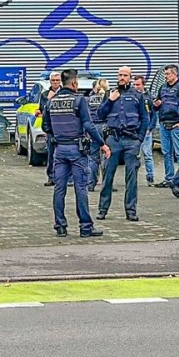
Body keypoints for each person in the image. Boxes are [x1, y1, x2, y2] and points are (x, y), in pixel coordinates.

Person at [48, 69, 110, 238]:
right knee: (80, 188)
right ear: (74, 83)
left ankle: (60, 225)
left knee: (59, 188)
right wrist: (102, 144)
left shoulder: (51, 101)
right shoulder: (79, 100)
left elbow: (47, 126)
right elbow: (89, 125)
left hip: (59, 150)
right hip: (77, 149)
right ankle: (85, 227)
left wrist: (58, 135)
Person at [96, 65, 147, 222]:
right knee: (108, 175)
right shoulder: (110, 94)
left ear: (130, 78)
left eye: (125, 75)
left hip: (131, 140)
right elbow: (100, 114)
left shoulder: (137, 96)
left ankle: (131, 210)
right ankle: (102, 209)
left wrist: (139, 139)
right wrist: (110, 101)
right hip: (113, 139)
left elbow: (145, 118)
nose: (122, 78)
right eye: (120, 75)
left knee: (131, 177)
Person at [152, 65, 179, 187]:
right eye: (165, 74)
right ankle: (169, 179)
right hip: (163, 123)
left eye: (168, 74)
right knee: (166, 152)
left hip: (176, 125)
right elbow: (156, 105)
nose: (166, 76)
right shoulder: (162, 88)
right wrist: (156, 104)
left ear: (175, 74)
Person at [135, 73, 158, 186]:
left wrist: (150, 128)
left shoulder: (148, 98)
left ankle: (150, 177)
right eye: (134, 84)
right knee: (134, 155)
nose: (136, 87)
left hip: (146, 131)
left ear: (143, 85)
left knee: (148, 155)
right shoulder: (132, 97)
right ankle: (132, 177)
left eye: (138, 84)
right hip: (134, 131)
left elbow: (153, 115)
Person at [40, 71, 62, 186]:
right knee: (51, 154)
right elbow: (42, 111)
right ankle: (51, 177)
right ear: (50, 81)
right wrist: (48, 100)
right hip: (51, 129)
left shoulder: (64, 93)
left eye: (57, 80)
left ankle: (65, 178)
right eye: (53, 80)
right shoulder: (45, 94)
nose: (55, 83)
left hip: (64, 128)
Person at [85, 78, 110, 178]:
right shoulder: (109, 99)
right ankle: (106, 183)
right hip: (105, 127)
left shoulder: (89, 99)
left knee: (93, 157)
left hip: (92, 128)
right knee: (106, 155)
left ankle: (91, 183)